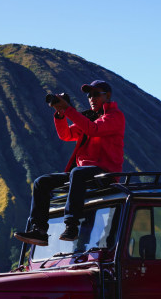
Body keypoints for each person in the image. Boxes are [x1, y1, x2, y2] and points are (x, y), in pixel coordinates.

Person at [14, 80, 125, 246]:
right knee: (41, 182)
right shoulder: (89, 118)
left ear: (107, 96)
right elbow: (66, 135)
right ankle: (39, 231)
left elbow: (93, 129)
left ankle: (72, 226)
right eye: (89, 95)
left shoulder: (115, 116)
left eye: (95, 94)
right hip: (84, 173)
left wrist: (68, 109)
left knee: (77, 173)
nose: (91, 98)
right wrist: (60, 114)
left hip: (105, 172)